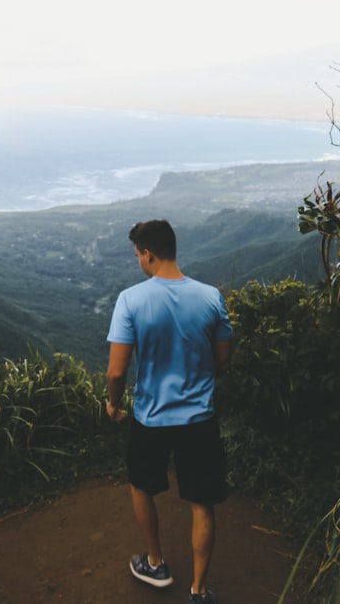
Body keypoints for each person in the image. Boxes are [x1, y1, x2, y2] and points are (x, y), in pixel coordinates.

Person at [105, 219, 233, 604]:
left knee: (142, 485)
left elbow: (116, 370)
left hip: (151, 417)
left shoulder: (131, 299)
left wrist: (113, 403)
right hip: (199, 419)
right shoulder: (211, 297)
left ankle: (156, 562)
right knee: (201, 502)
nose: (138, 262)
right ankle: (199, 590)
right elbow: (223, 361)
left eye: (138, 255)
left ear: (148, 253)